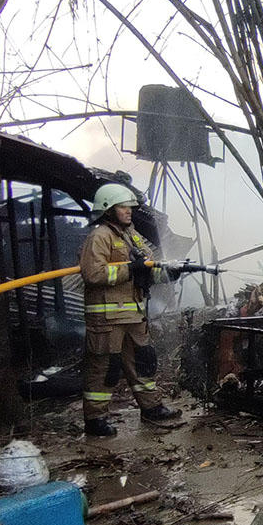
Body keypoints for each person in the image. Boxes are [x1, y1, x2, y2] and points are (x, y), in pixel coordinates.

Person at [79, 183, 185, 437]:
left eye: (129, 207)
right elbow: (93, 273)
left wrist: (168, 273)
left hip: (134, 314)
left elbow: (146, 269)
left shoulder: (132, 235)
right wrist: (129, 269)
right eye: (123, 207)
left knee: (143, 362)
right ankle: (95, 419)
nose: (128, 211)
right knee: (105, 367)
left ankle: (152, 407)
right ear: (108, 209)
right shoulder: (100, 236)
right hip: (107, 318)